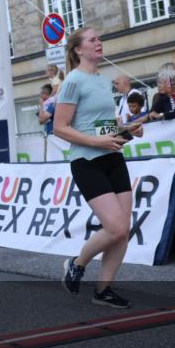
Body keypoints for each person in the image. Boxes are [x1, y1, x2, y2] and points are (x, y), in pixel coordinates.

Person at [55, 28, 143, 309]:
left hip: (112, 157)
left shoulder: (103, 81)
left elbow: (103, 123)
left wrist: (127, 129)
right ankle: (77, 263)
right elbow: (60, 128)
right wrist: (96, 141)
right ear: (79, 50)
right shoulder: (72, 81)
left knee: (124, 228)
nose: (99, 43)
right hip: (86, 161)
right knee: (115, 227)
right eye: (93, 40)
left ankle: (103, 290)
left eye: (99, 39)